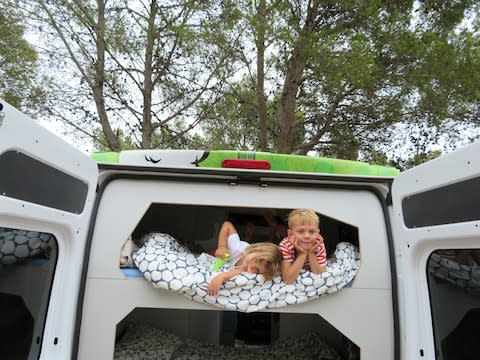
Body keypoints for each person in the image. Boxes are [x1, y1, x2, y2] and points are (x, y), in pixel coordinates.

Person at [207, 221, 282, 296]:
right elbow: (227, 225)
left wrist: (221, 276)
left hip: (242, 253)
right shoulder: (236, 248)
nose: (250, 266)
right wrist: (222, 246)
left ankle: (248, 236)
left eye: (257, 270)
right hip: (234, 251)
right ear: (255, 249)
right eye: (254, 259)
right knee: (213, 252)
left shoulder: (247, 268)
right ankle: (248, 236)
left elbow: (238, 271)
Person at [279, 209, 327, 284]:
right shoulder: (285, 245)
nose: (307, 236)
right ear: (290, 234)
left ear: (318, 233)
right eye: (300, 231)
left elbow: (320, 276)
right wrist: (302, 254)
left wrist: (311, 253)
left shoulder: (318, 244)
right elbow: (287, 280)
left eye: (311, 231)